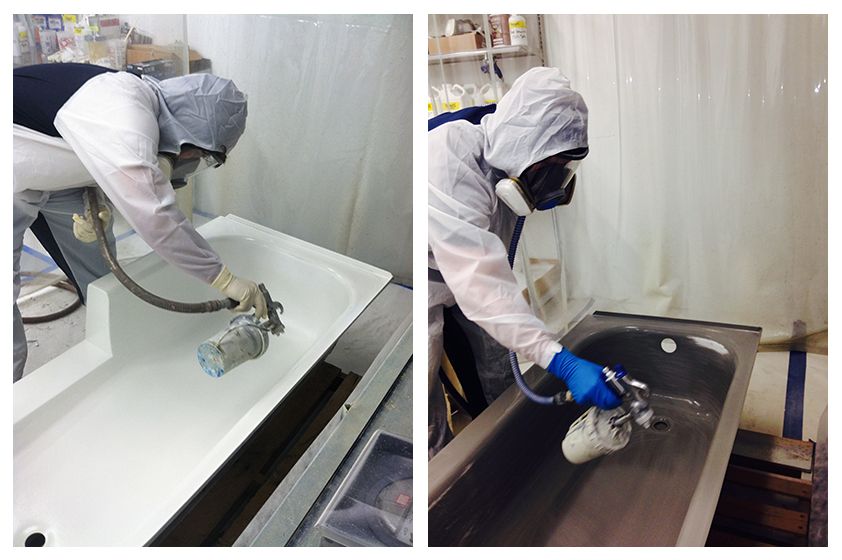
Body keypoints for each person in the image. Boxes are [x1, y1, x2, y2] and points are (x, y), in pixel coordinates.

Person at [13, 62, 266, 382]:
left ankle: (122, 360)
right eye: (197, 155)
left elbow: (88, 151)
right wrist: (223, 278)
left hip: (36, 165)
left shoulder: (137, 108)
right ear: (187, 129)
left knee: (100, 275)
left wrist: (99, 202)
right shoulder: (126, 111)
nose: (188, 165)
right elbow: (156, 215)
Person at [428, 67, 621, 457]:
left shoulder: (509, 166)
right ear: (527, 146)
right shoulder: (448, 158)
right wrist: (563, 363)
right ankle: (434, 480)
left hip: (466, 275)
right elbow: (480, 285)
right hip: (423, 284)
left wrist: (539, 346)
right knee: (421, 391)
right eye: (555, 170)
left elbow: (489, 277)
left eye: (567, 171)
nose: (558, 183)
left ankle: (508, 438)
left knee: (501, 359)